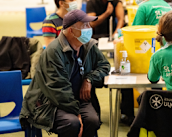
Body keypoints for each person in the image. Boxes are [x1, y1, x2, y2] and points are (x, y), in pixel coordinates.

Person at [20, 9, 111, 137]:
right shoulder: (54, 51)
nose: (89, 28)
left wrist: (89, 79)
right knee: (72, 123)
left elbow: (104, 65)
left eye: (89, 25)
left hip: (76, 99)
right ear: (71, 30)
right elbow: (58, 89)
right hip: (49, 102)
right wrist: (77, 114)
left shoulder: (88, 45)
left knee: (92, 120)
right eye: (84, 25)